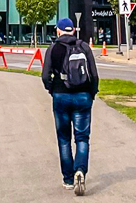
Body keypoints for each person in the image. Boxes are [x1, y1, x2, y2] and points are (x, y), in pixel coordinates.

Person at [41, 17, 98, 196]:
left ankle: (68, 179)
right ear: (73, 30)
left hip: (61, 96)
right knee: (82, 138)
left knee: (64, 139)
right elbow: (94, 76)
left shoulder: (53, 49)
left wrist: (52, 89)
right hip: (83, 97)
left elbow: (45, 76)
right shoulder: (84, 47)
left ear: (58, 31)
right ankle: (80, 170)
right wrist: (92, 93)